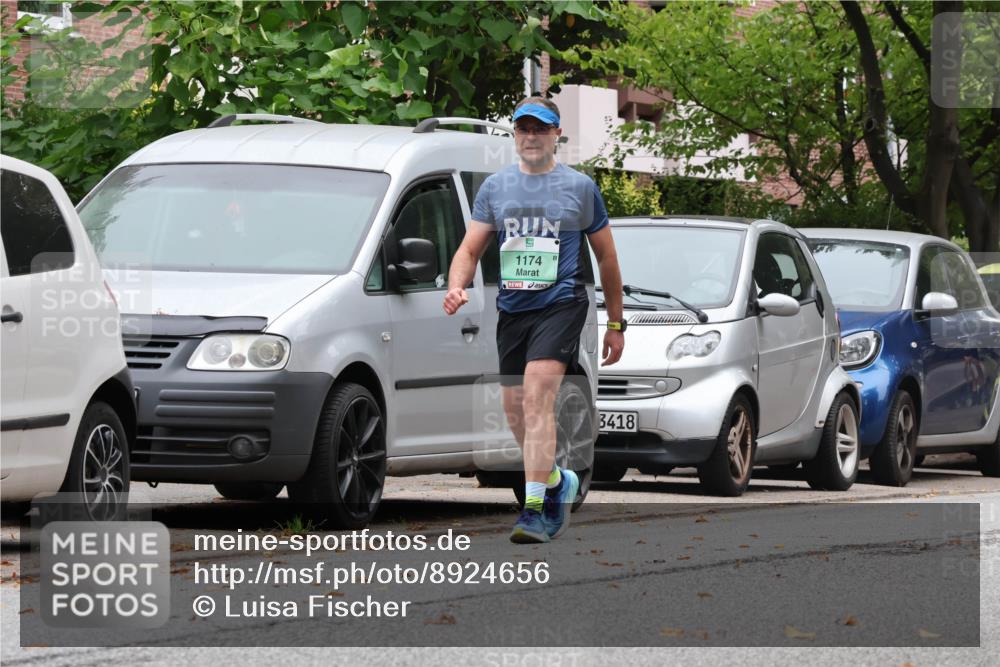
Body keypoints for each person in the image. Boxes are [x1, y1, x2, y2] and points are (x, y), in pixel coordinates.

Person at [443, 96, 626, 543]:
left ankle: (533, 511)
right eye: (523, 129)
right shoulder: (496, 188)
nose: (530, 136)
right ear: (514, 136)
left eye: (540, 129)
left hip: (561, 304)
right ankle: (555, 481)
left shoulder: (579, 188)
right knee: (515, 410)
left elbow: (606, 257)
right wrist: (457, 285)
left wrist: (617, 324)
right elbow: (469, 250)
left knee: (537, 398)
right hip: (513, 309)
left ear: (556, 135)